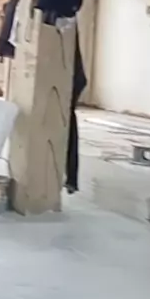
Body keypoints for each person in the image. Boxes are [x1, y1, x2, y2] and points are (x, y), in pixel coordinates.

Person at [65, 28, 86, 194]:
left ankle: (70, 178)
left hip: (67, 77)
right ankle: (70, 178)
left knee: (66, 123)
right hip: (69, 75)